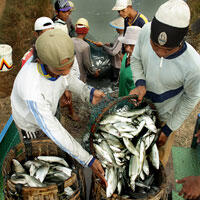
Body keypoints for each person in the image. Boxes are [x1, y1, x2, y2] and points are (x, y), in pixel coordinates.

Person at [11, 29, 107, 186]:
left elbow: (68, 78)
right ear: (41, 61)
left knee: (58, 145)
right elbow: (54, 130)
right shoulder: (32, 89)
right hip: (31, 125)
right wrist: (88, 159)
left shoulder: (59, 64)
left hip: (50, 110)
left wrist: (88, 92)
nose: (67, 72)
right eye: (61, 70)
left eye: (69, 66)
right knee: (38, 158)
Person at [129, 0, 200, 167]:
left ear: (182, 40)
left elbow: (190, 99)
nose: (160, 53)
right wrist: (140, 83)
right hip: (140, 109)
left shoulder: (194, 66)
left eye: (168, 50)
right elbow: (136, 59)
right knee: (134, 150)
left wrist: (168, 129)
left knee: (158, 159)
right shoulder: (146, 31)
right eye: (155, 45)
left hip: (166, 117)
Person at [96, 17, 124, 82]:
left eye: (117, 27)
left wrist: (102, 46)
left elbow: (113, 52)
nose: (116, 29)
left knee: (115, 81)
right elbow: (118, 47)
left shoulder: (120, 38)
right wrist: (111, 44)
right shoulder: (122, 35)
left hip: (118, 66)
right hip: (117, 65)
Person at [72, 18, 99, 83]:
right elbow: (87, 64)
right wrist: (94, 72)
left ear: (76, 29)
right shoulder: (85, 46)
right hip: (80, 76)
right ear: (87, 31)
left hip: (70, 73)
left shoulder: (70, 40)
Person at [118, 26, 141, 97]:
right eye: (126, 45)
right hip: (121, 100)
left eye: (131, 45)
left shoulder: (141, 66)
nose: (127, 49)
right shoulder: (125, 57)